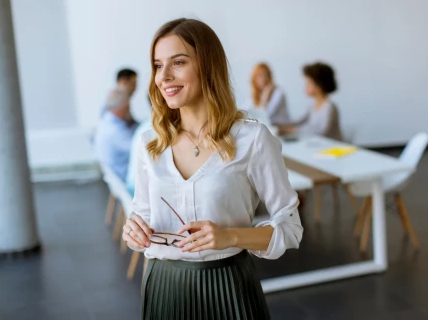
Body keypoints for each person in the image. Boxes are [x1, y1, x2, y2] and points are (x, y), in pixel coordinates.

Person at [122, 18, 303, 320]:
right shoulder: (148, 142)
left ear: (207, 65)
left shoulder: (252, 139)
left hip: (228, 285)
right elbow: (142, 212)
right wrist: (133, 229)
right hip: (164, 285)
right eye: (157, 66)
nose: (164, 76)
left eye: (177, 62)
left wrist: (231, 236)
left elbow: (290, 228)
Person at [278, 62, 343, 141]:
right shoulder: (312, 106)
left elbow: (322, 132)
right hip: (318, 146)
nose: (305, 86)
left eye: (308, 83)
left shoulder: (330, 107)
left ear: (319, 85)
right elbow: (299, 121)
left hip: (333, 148)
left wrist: (293, 129)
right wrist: (278, 125)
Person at [94, 88, 138, 182]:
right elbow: (139, 150)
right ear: (123, 107)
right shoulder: (115, 131)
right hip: (129, 179)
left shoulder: (106, 122)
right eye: (128, 106)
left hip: (119, 175)